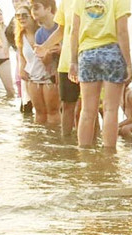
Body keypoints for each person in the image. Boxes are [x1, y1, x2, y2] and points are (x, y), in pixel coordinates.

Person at [68, 0, 132, 150]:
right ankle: (109, 154)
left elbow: (74, 31)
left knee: (87, 110)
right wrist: (128, 64)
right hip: (112, 52)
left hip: (87, 53)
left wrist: (73, 61)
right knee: (111, 109)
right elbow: (122, 31)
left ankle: (83, 153)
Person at [34, 0, 79, 136]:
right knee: (67, 106)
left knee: (88, 108)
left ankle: (92, 147)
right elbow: (61, 30)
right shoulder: (66, 3)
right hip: (66, 63)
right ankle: (66, 144)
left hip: (88, 59)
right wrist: (45, 47)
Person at [16, 4, 52, 123]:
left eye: (25, 15)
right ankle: (39, 139)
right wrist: (21, 68)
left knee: (52, 112)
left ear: (32, 16)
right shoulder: (21, 36)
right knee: (39, 112)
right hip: (32, 77)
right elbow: (21, 56)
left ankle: (55, 139)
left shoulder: (43, 33)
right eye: (18, 16)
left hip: (49, 76)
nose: (21, 18)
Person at [30, 0, 60, 125]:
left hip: (62, 73)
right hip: (45, 72)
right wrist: (47, 53)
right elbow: (45, 62)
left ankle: (58, 141)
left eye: (36, 7)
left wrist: (61, 50)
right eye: (31, 8)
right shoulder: (39, 33)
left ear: (48, 9)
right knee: (40, 112)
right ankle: (41, 142)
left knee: (54, 110)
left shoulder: (62, 26)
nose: (33, 11)